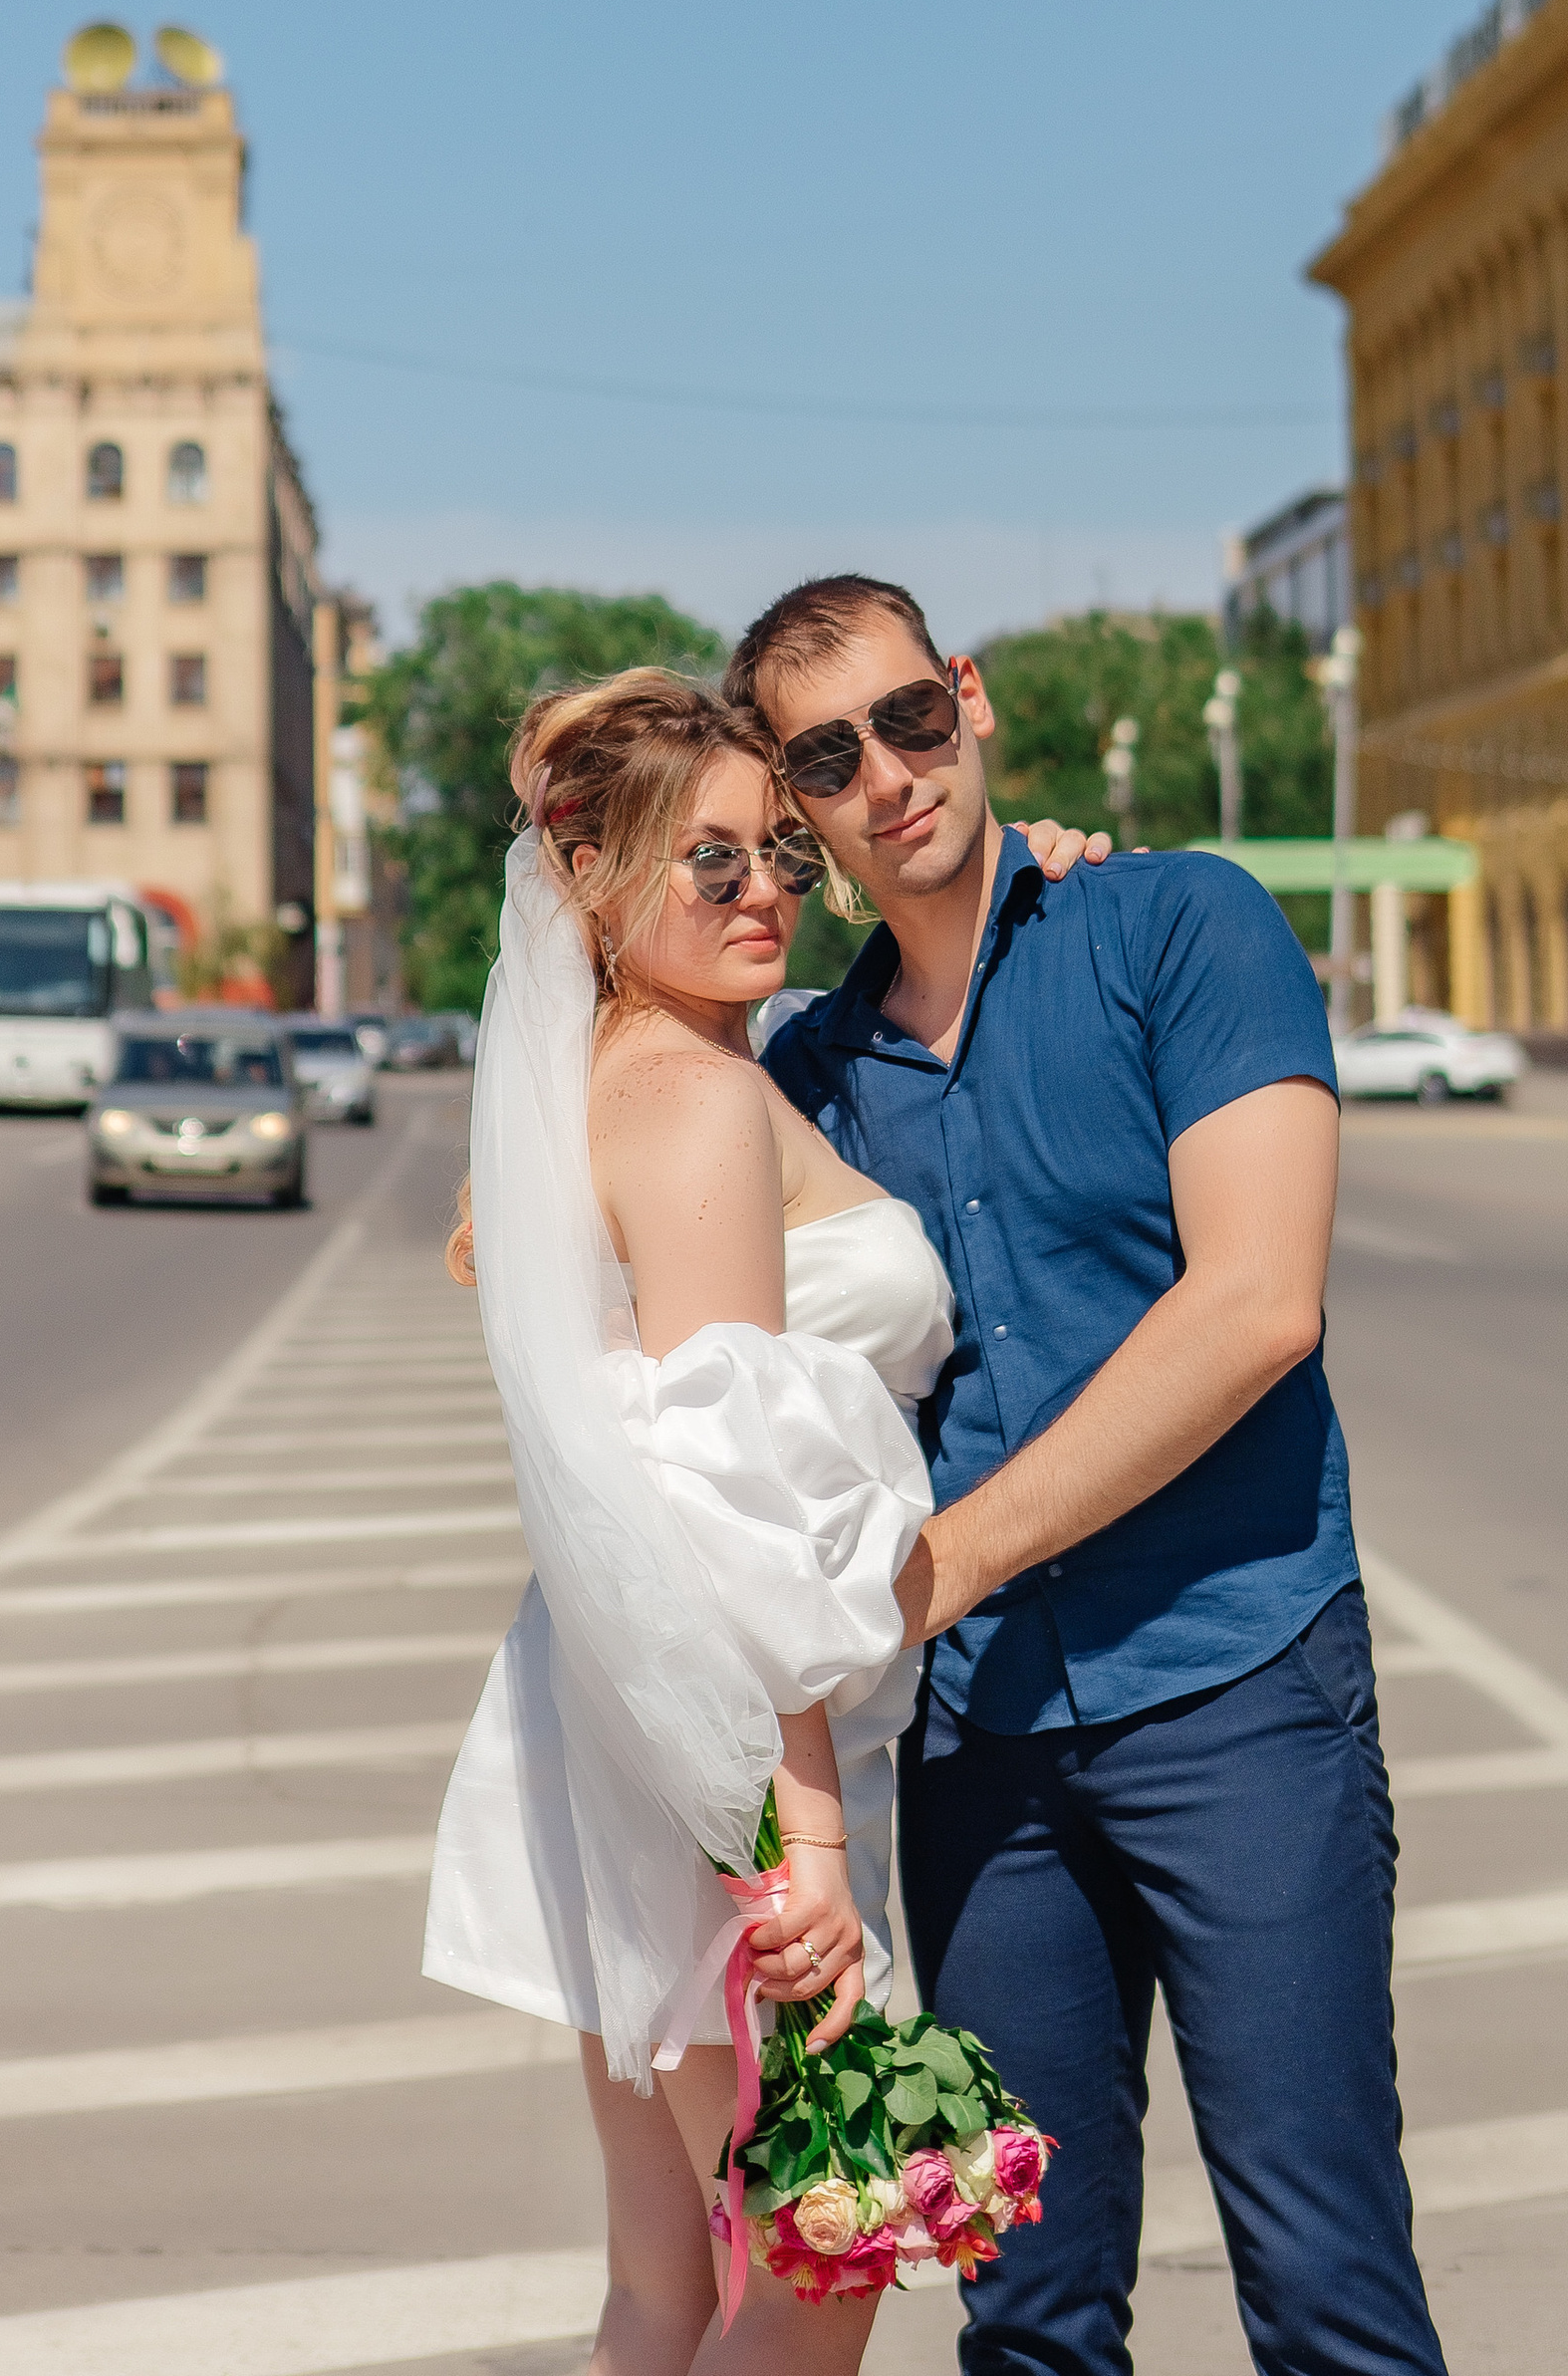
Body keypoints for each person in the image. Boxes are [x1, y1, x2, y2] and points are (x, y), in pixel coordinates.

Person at [733, 573, 1446, 2376]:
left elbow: (1259, 1305)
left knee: (1328, 2290)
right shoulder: (802, 1079)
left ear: (966, 698)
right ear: (799, 810)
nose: (888, 774)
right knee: (1031, 2316)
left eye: (908, 717)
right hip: (976, 1759)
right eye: (829, 758)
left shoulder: (1179, 927)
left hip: (1242, 1691)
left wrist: (948, 1557)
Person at [422, 670, 1104, 2375]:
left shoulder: (602, 1069)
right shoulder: (708, 1097)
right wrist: (803, 1848)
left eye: (779, 855)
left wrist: (1046, 863)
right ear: (591, 876)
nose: (763, 893)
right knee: (828, 2263)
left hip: (597, 1716)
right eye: (706, 861)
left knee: (670, 2272)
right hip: (726, 1756)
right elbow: (736, 1500)